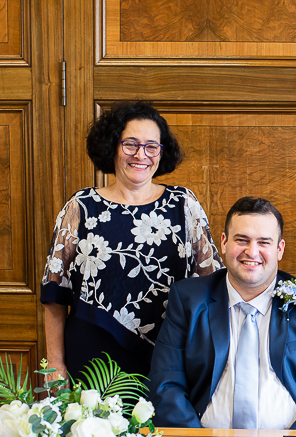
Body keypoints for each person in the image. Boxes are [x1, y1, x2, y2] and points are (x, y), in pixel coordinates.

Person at [41, 101, 223, 382]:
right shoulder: (80, 207)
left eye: (152, 146)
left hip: (169, 358)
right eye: (131, 144)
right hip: (90, 360)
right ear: (112, 146)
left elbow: (213, 285)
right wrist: (54, 366)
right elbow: (54, 295)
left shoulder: (184, 204)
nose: (141, 155)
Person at [148, 197, 296, 430]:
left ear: (279, 249)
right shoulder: (188, 300)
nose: (252, 252)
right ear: (223, 243)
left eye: (264, 242)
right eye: (241, 240)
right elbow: (165, 383)